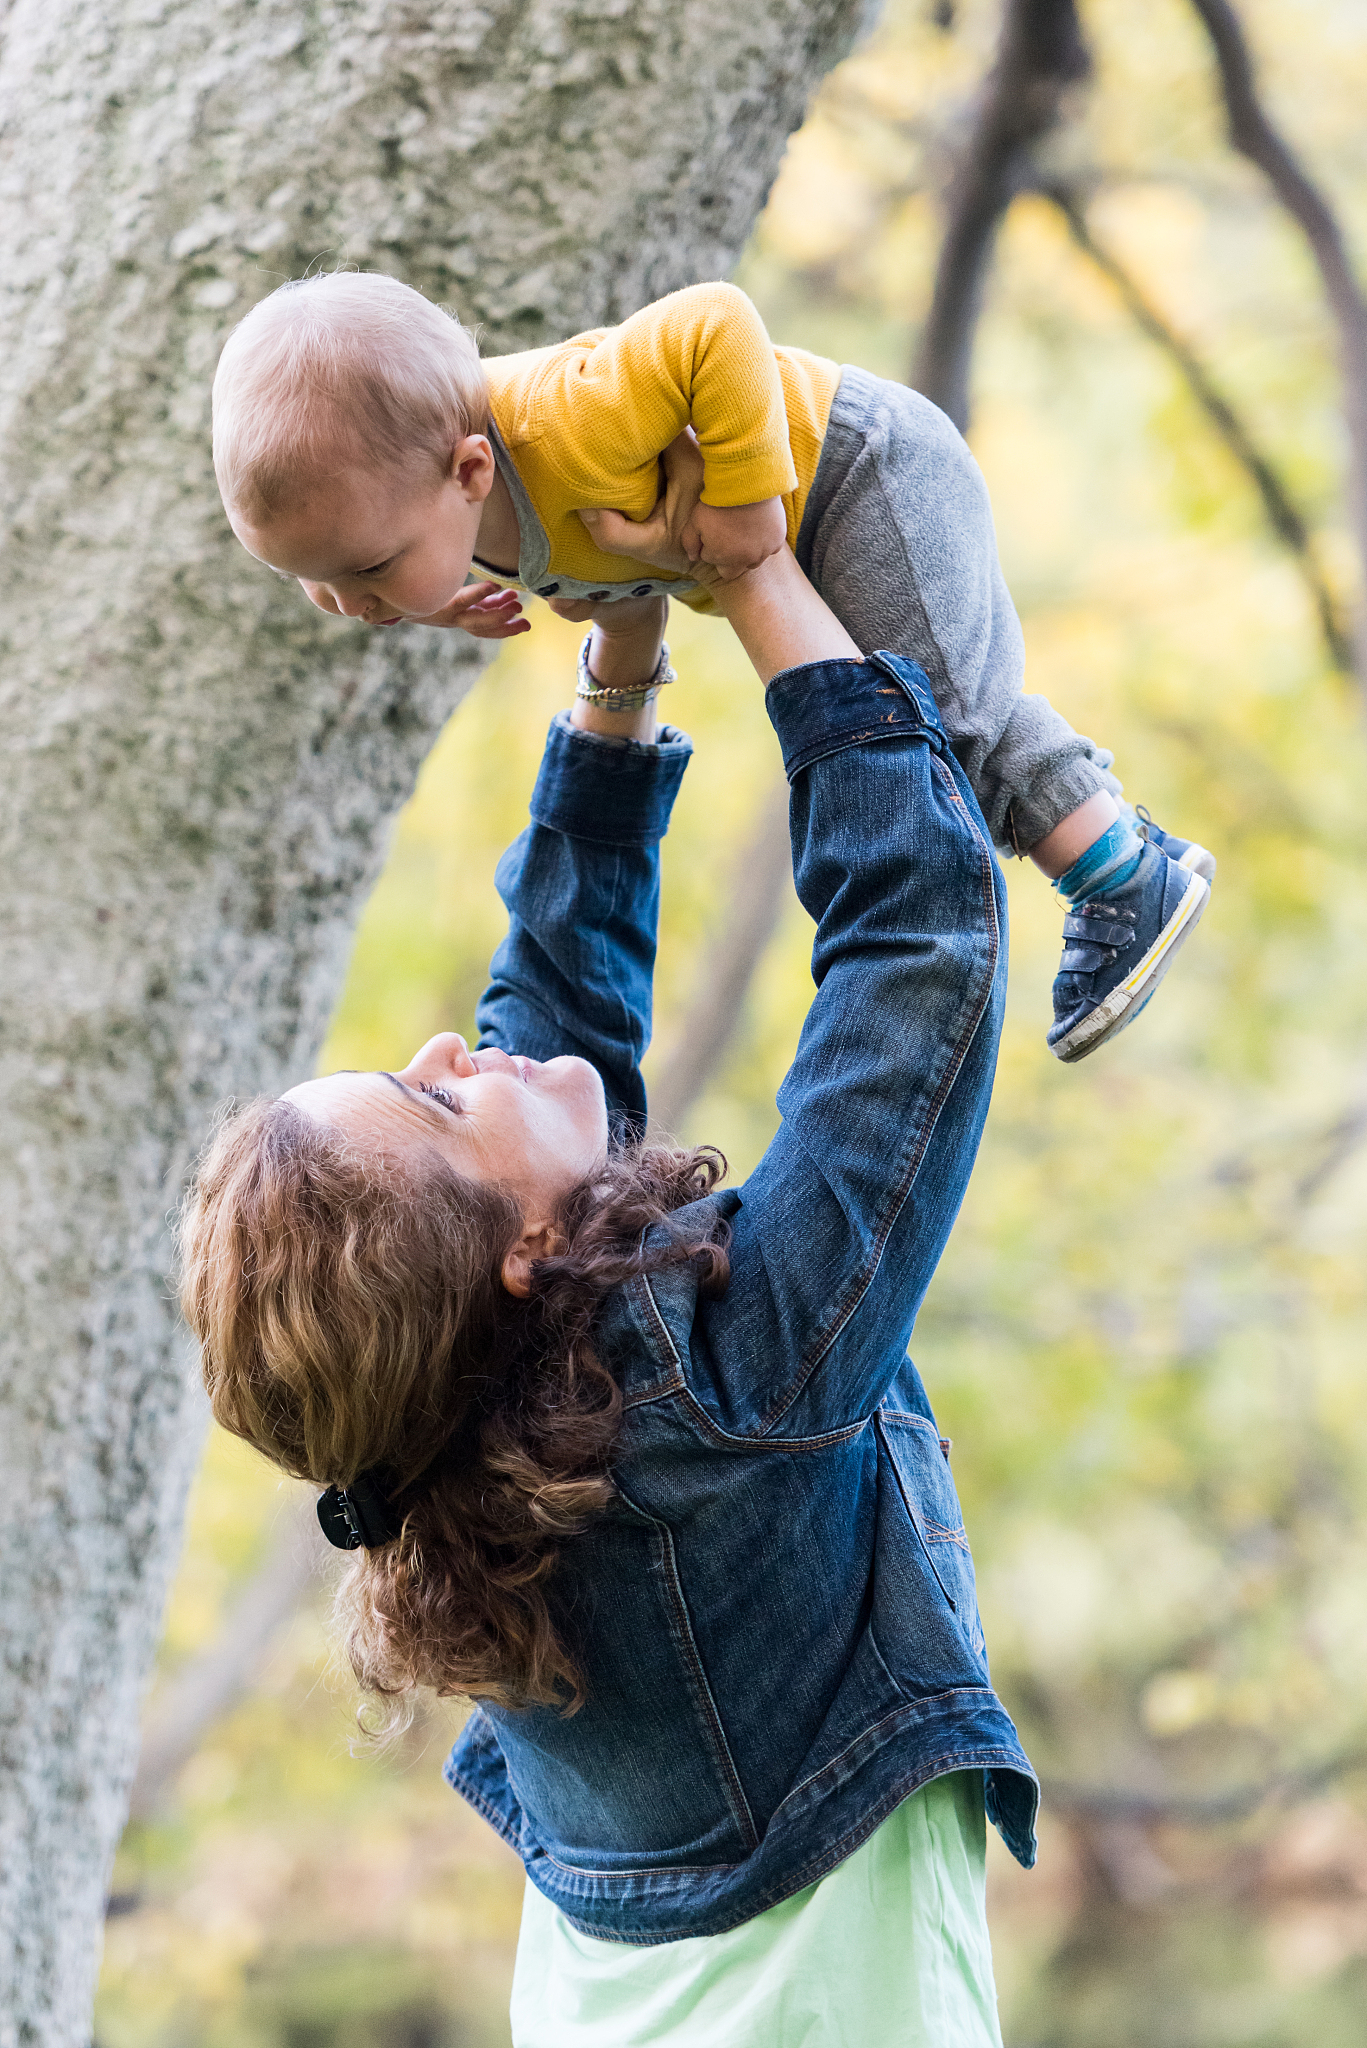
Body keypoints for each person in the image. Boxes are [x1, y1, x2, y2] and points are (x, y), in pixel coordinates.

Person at [181, 539, 1039, 2046]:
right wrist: (759, 577)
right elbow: (917, 951)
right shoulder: (700, 1390)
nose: (457, 1048)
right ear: (513, 1262)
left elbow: (543, 1044)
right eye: (431, 1101)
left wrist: (621, 665)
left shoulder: (471, 1450)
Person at [210, 269, 1214, 1063]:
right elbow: (519, 556)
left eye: (367, 570)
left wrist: (740, 502)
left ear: (470, 470)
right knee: (940, 717)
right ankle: (1120, 853)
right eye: (314, 583)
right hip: (821, 508)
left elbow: (712, 322)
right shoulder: (428, 493)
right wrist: (437, 589)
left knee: (938, 729)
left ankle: (1122, 877)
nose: (350, 602)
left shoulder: (564, 413)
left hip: (861, 469)